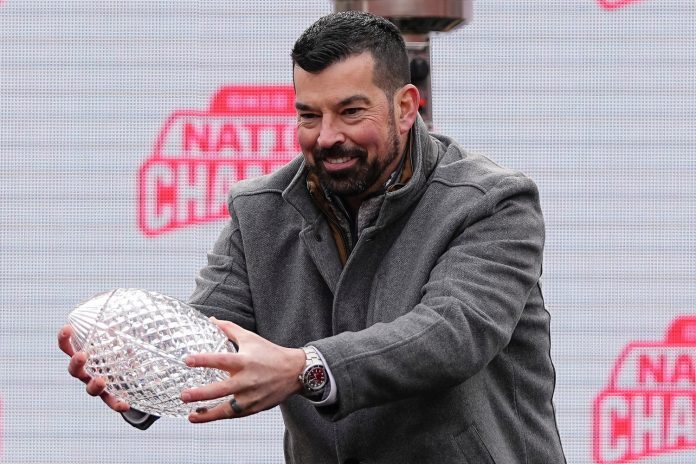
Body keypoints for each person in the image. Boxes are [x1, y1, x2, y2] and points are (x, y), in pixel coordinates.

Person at [59, 10, 566, 463]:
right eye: (308, 115)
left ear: (407, 107)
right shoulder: (260, 212)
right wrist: (138, 376)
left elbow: (451, 335)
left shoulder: (493, 202)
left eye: (351, 112)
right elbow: (210, 344)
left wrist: (307, 369)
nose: (326, 137)